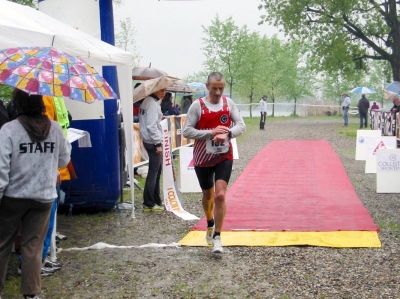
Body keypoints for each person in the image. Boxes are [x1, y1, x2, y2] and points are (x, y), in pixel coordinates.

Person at [0, 89, 71, 299]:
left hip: (13, 196)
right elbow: (63, 161)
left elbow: (1, 167)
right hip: (43, 196)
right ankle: (31, 293)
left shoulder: (9, 130)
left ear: (18, 104)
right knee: (33, 245)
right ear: (41, 102)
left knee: (3, 243)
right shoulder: (55, 129)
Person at [182, 72, 246, 254]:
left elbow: (241, 125)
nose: (218, 92)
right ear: (207, 86)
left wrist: (227, 134)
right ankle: (209, 221)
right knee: (208, 196)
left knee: (220, 195)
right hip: (202, 158)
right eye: (215, 88)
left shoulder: (228, 104)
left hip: (224, 155)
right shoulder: (198, 106)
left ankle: (218, 236)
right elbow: (187, 131)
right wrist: (210, 133)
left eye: (221, 88)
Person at [139, 87, 167, 212]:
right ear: (155, 90)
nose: (164, 93)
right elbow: (151, 125)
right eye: (162, 90)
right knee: (153, 172)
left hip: (148, 140)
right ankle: (149, 203)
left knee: (156, 171)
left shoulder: (148, 101)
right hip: (152, 141)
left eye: (165, 91)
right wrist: (157, 144)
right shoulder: (151, 103)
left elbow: (150, 121)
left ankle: (156, 199)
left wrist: (160, 118)